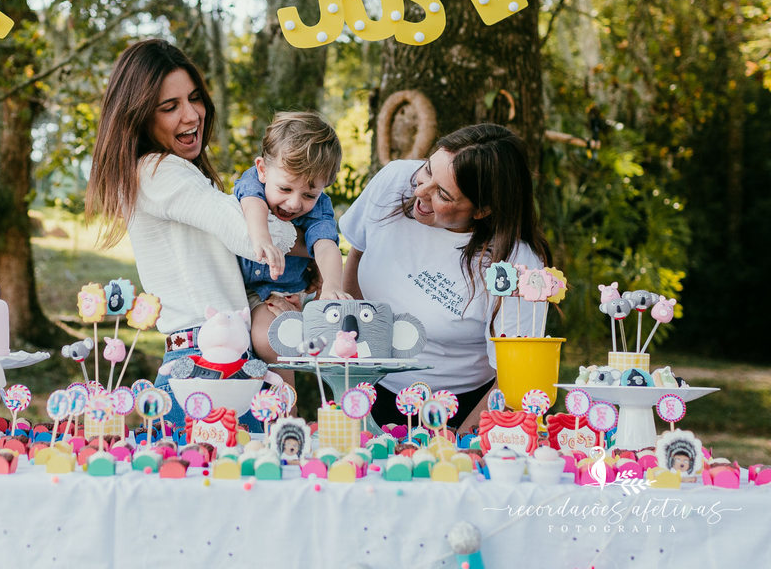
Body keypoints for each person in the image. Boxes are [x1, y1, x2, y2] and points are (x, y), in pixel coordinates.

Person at [85, 39, 298, 426]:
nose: (191, 115)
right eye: (170, 107)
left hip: (222, 357)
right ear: (139, 117)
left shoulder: (172, 175)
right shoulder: (159, 171)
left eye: (195, 98)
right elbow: (256, 238)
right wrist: (296, 220)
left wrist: (266, 304)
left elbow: (217, 274)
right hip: (206, 367)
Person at [339, 123, 552, 436]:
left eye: (442, 194)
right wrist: (350, 364)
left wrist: (460, 443)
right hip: (367, 388)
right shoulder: (395, 179)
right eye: (427, 171)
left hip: (459, 410)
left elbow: (513, 380)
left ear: (482, 210)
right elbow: (356, 253)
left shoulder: (519, 267)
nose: (419, 192)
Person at [235, 111, 352, 370]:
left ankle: (287, 403)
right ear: (263, 170)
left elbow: (325, 244)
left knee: (272, 339)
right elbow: (252, 203)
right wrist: (262, 237)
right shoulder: (253, 182)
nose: (295, 203)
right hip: (241, 289)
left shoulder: (319, 207)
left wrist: (332, 284)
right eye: (285, 189)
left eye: (309, 194)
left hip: (285, 292)